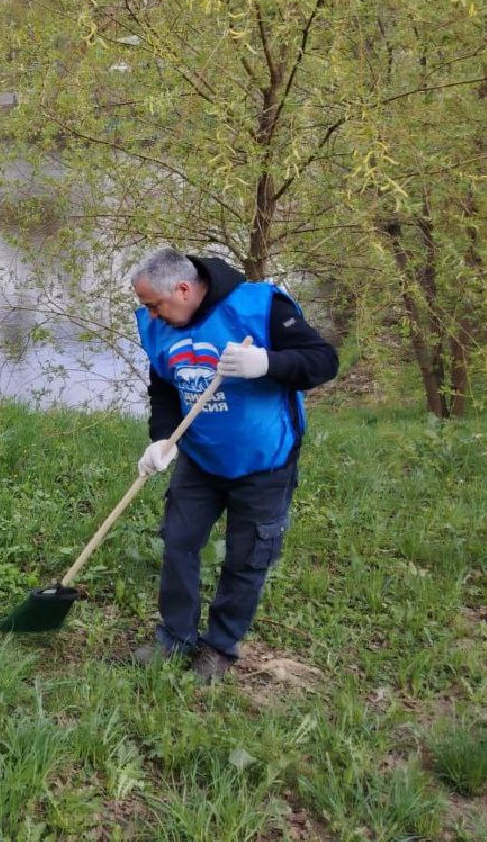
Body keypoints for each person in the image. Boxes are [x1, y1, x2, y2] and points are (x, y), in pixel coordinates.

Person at [129, 247, 337, 683]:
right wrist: (162, 437)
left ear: (183, 289)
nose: (151, 315)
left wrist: (268, 363)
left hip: (264, 462)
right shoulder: (158, 325)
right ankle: (175, 638)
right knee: (179, 543)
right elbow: (163, 387)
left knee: (246, 558)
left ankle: (220, 647)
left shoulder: (261, 306)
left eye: (155, 304)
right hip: (201, 460)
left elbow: (323, 361)